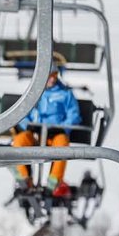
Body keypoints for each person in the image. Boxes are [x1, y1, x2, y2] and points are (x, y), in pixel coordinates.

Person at [12, 65, 81, 199]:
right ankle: (25, 180)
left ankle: (53, 183)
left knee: (62, 143)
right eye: (49, 76)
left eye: (54, 75)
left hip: (54, 135)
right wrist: (28, 125)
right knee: (20, 140)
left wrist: (62, 127)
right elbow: (22, 112)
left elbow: (74, 115)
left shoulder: (65, 94)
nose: (52, 79)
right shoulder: (34, 92)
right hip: (35, 134)